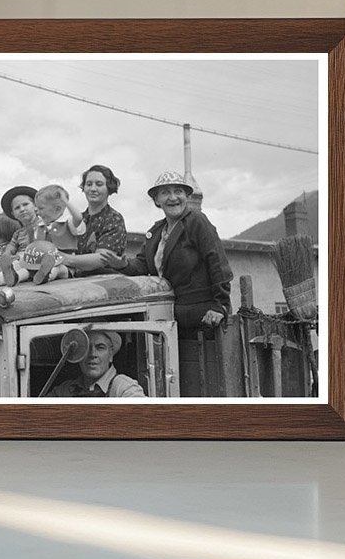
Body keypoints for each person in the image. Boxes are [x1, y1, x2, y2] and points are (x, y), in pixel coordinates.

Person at [100, 170, 232, 397]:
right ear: (156, 200)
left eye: (178, 191)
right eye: (165, 193)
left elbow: (217, 261)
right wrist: (122, 264)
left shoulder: (196, 221)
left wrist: (220, 305)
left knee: (200, 381)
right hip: (171, 319)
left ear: (187, 196)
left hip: (202, 318)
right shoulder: (156, 231)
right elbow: (142, 266)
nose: (173, 197)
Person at [59, 164, 129, 277]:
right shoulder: (77, 219)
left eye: (99, 184)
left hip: (104, 281)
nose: (93, 189)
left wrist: (64, 258)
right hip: (73, 279)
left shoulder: (114, 219)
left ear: (109, 188)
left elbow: (102, 259)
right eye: (89, 184)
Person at [51, 330, 145, 397]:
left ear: (110, 354)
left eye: (100, 347)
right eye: (86, 348)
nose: (92, 354)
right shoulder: (65, 391)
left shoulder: (124, 389)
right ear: (78, 355)